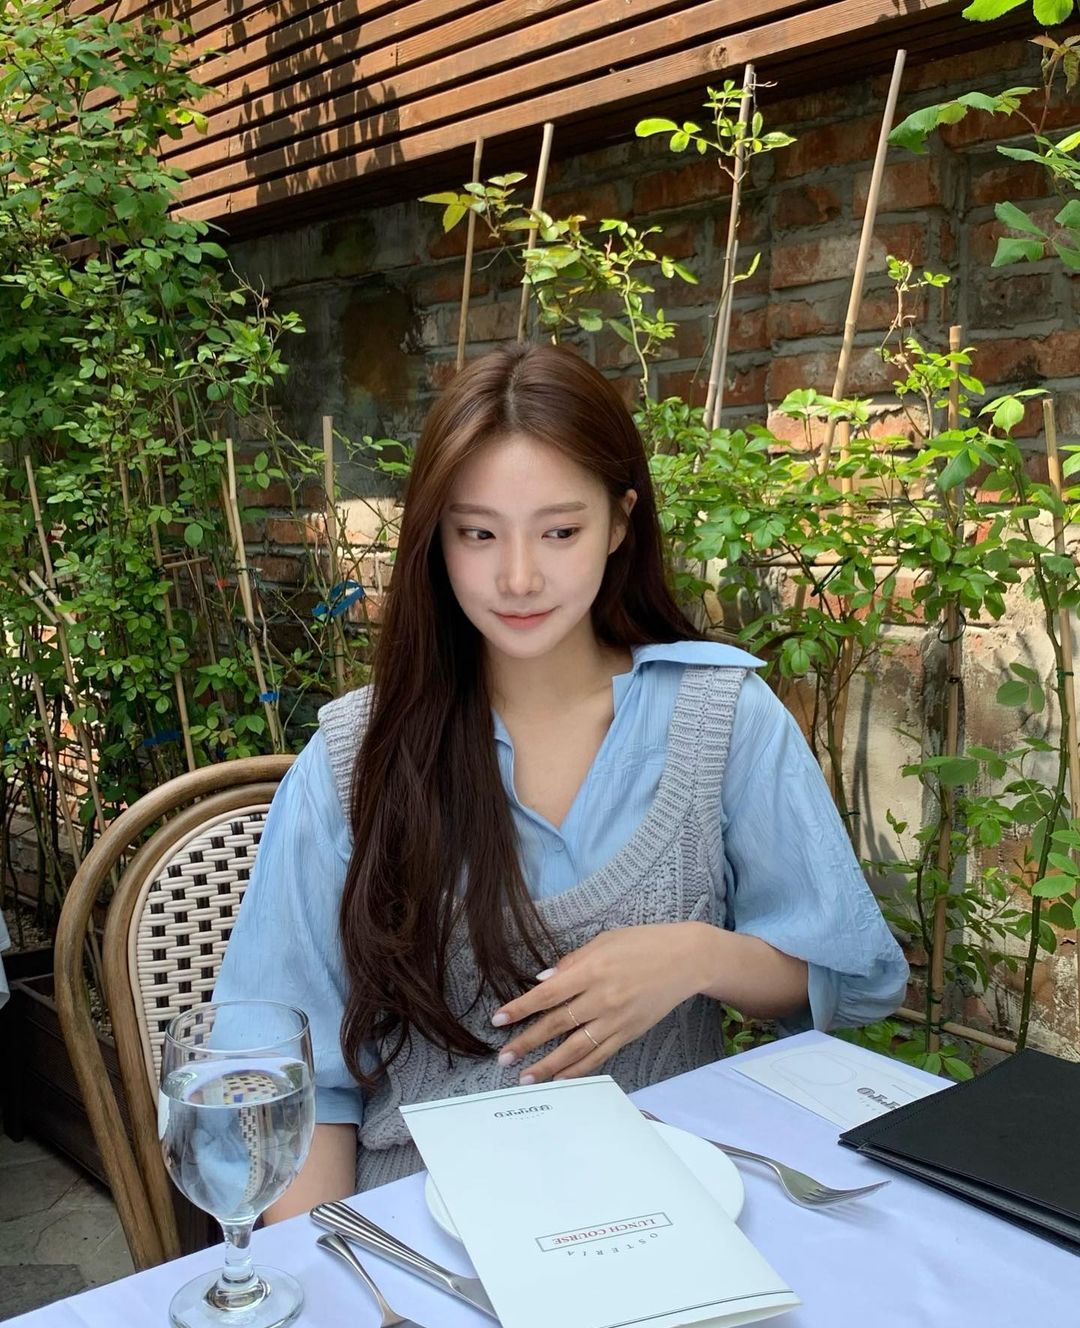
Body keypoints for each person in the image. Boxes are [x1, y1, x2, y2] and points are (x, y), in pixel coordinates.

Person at [214, 342, 908, 1220]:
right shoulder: (358, 757)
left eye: (560, 531)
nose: (518, 577)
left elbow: (852, 977)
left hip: (676, 1208)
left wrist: (695, 955)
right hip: (426, 1227)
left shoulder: (723, 718)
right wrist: (347, 1269)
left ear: (620, 522)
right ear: (436, 538)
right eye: (478, 533)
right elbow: (289, 1079)